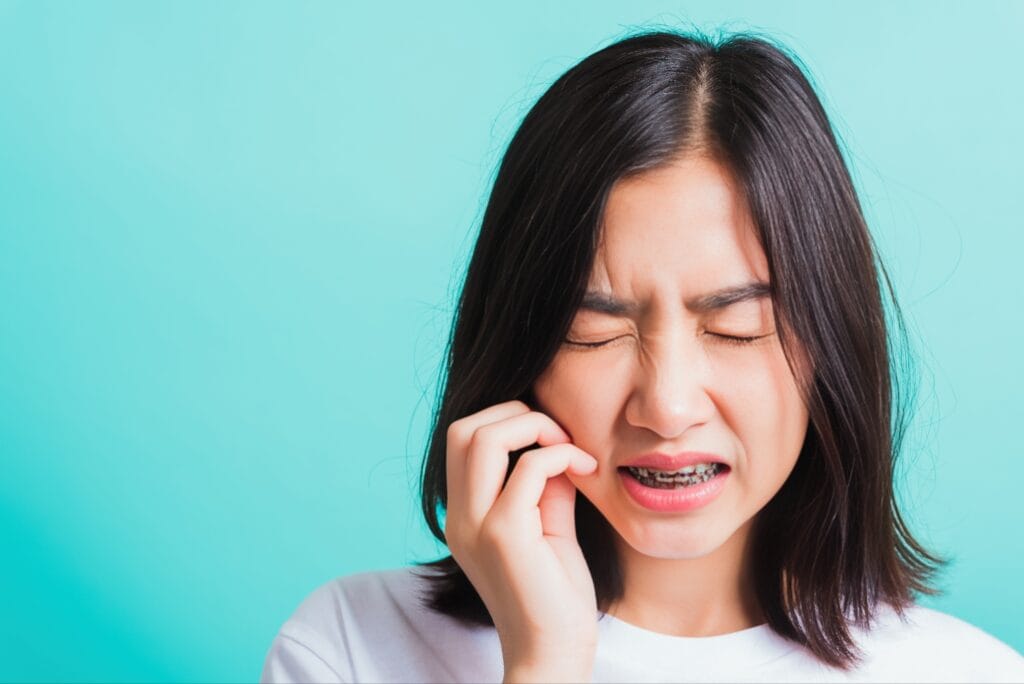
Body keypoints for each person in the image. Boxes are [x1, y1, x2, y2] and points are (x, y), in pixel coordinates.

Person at [260, 28, 1024, 683]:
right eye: (595, 331)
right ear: (518, 347)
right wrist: (545, 659)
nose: (668, 406)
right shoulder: (350, 648)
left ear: (831, 346)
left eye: (736, 327)